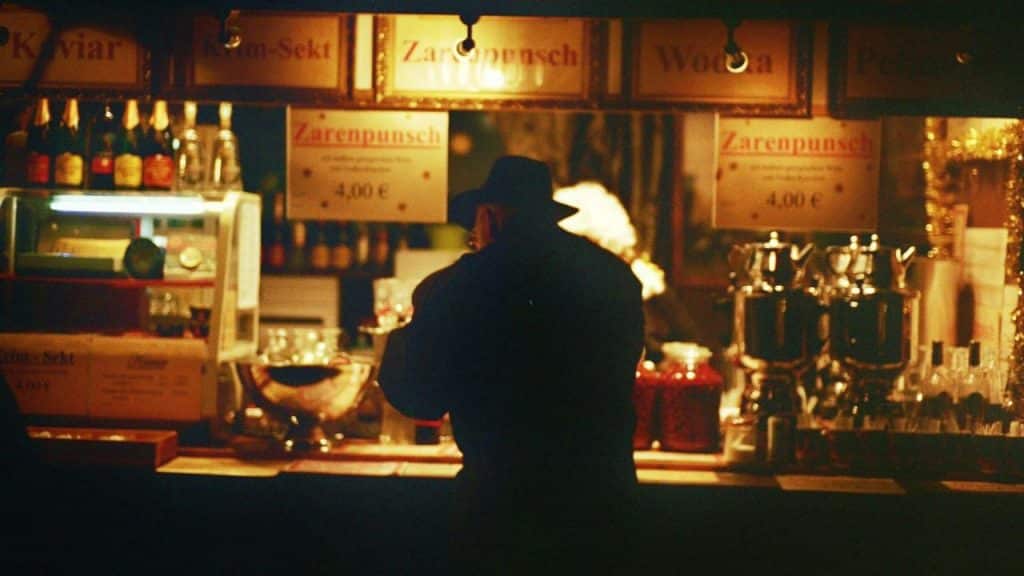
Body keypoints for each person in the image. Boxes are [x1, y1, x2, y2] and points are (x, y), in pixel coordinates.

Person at [378, 156, 645, 574]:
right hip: (603, 509)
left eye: (474, 230)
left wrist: (400, 337)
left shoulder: (455, 287)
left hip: (500, 513)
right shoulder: (614, 277)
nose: (474, 239)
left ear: (489, 217)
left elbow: (418, 397)